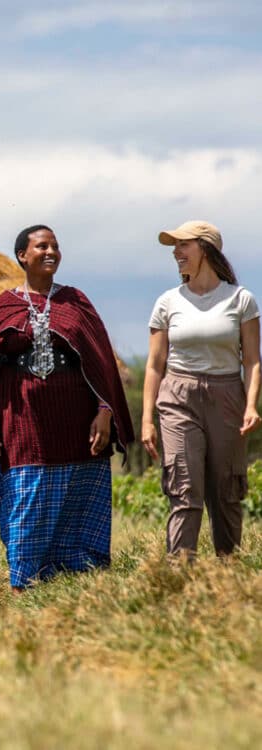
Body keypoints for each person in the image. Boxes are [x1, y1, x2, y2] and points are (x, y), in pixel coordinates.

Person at [0, 225, 133, 591]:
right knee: (27, 494)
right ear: (22, 256)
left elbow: (102, 364)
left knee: (81, 493)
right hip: (23, 421)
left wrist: (105, 411)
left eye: (55, 246)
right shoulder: (4, 305)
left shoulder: (76, 302)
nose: (51, 252)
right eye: (41, 246)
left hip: (77, 419)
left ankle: (82, 574)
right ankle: (25, 579)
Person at [141, 220, 260, 559]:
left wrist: (251, 405)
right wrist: (147, 419)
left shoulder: (241, 300)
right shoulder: (167, 301)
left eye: (183, 245)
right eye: (174, 247)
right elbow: (154, 364)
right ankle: (180, 573)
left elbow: (252, 361)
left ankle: (227, 571)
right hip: (178, 396)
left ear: (205, 249)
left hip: (227, 396)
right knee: (184, 486)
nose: (176, 253)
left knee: (226, 490)